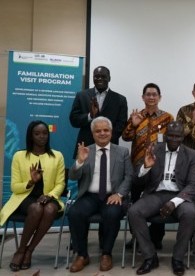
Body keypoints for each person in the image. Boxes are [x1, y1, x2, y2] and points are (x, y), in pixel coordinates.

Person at [128, 121, 195, 276]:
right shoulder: (154, 150)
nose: (174, 139)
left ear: (183, 137)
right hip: (155, 194)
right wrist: (146, 167)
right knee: (134, 212)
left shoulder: (191, 154)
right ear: (165, 136)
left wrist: (174, 202)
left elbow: (193, 185)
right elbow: (137, 181)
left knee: (189, 213)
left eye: (178, 136)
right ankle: (150, 256)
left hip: (180, 196)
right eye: (171, 135)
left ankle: (178, 258)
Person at [67, 116, 133, 273]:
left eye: (106, 130)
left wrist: (120, 194)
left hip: (113, 195)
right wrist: (80, 162)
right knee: (74, 213)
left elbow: (129, 176)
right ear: (92, 133)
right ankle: (81, 254)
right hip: (89, 196)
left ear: (111, 132)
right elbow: (73, 177)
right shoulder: (85, 150)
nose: (102, 133)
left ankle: (106, 253)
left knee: (112, 213)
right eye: (98, 131)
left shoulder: (122, 152)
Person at [0, 121, 65, 272]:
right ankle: (21, 250)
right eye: (37, 134)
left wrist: (49, 195)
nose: (42, 137)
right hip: (24, 197)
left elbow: (60, 184)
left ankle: (29, 250)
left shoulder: (57, 156)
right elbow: (14, 187)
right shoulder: (19, 156)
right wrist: (30, 182)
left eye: (45, 133)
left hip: (50, 197)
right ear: (30, 136)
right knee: (36, 209)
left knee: (48, 210)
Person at [122, 82, 174, 249]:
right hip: (138, 166)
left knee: (159, 201)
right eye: (148, 94)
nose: (151, 97)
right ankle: (136, 236)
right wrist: (134, 124)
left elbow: (173, 140)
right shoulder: (136, 116)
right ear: (143, 97)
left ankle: (157, 237)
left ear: (159, 97)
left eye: (154, 94)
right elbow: (126, 137)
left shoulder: (167, 117)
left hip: (159, 167)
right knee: (136, 202)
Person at [69, 65, 128, 158]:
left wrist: (104, 140)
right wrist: (90, 116)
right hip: (86, 148)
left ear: (109, 78)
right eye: (96, 76)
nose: (99, 79)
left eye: (103, 76)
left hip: (110, 148)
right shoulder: (82, 95)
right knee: (84, 172)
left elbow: (121, 125)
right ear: (93, 78)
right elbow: (73, 120)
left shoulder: (120, 99)